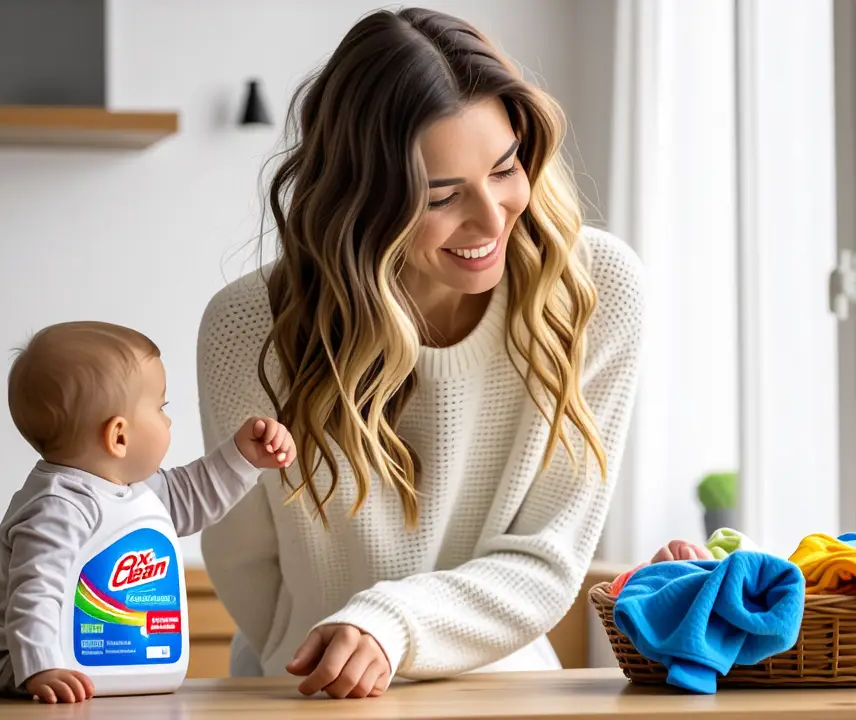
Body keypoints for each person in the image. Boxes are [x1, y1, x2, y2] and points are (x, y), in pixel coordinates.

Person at [196, 7, 646, 700]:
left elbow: (548, 559)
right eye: (442, 196)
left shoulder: (593, 292)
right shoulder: (247, 326)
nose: (493, 218)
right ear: (362, 201)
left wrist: (390, 626)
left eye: (505, 168)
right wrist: (331, 650)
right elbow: (243, 562)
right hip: (307, 696)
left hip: (507, 698)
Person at [0, 321, 295, 703]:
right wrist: (42, 665)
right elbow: (35, 591)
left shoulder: (132, 490)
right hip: (26, 666)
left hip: (103, 667)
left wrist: (243, 457)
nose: (169, 419)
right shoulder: (59, 507)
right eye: (161, 407)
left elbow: (190, 495)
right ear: (119, 436)